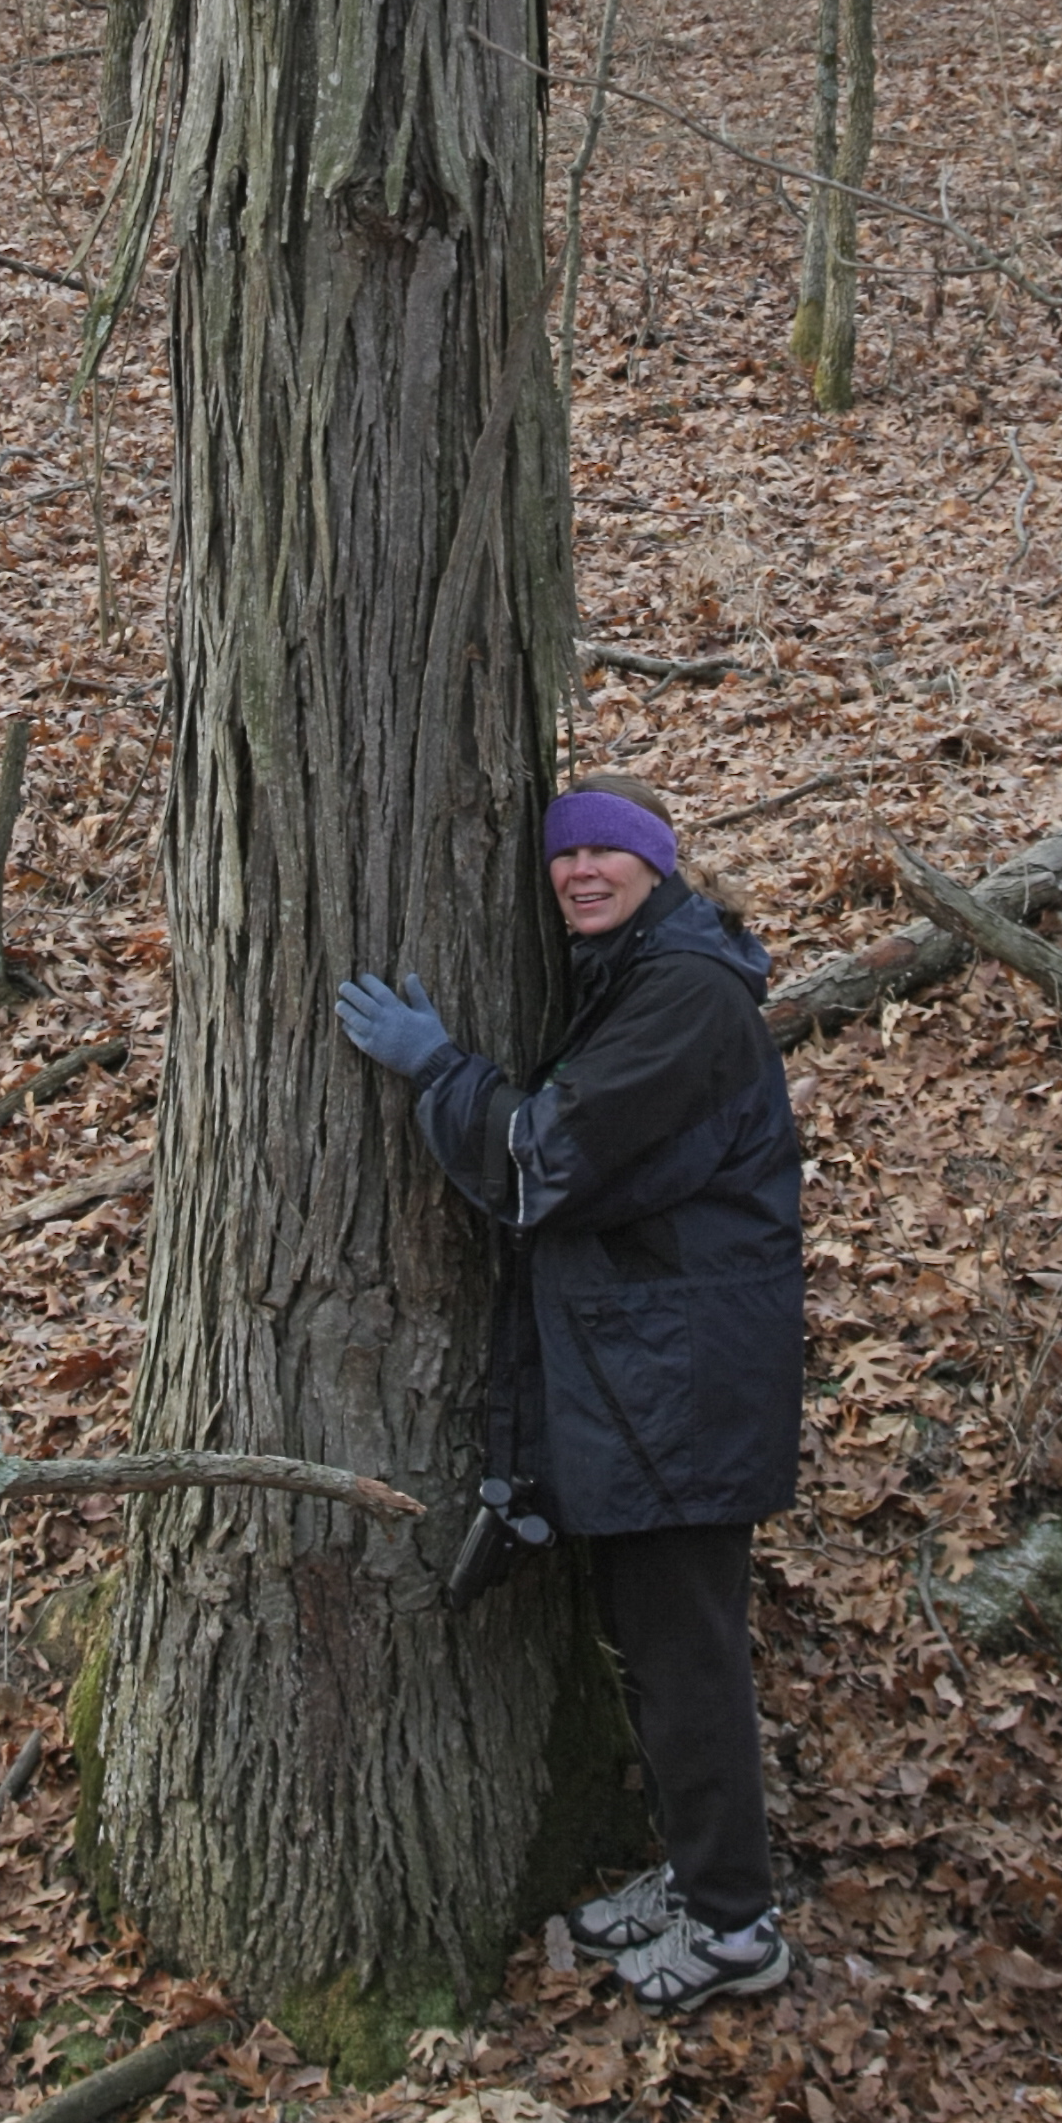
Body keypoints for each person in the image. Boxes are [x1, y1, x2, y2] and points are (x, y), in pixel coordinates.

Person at [335, 770, 804, 2014]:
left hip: (686, 1389)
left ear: (659, 864)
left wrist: (440, 1069)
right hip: (656, 1378)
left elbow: (545, 1159)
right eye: (563, 856)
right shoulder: (640, 976)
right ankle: (698, 1877)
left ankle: (735, 1927)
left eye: (607, 852)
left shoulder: (686, 997)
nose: (581, 872)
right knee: (655, 1653)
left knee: (686, 1659)